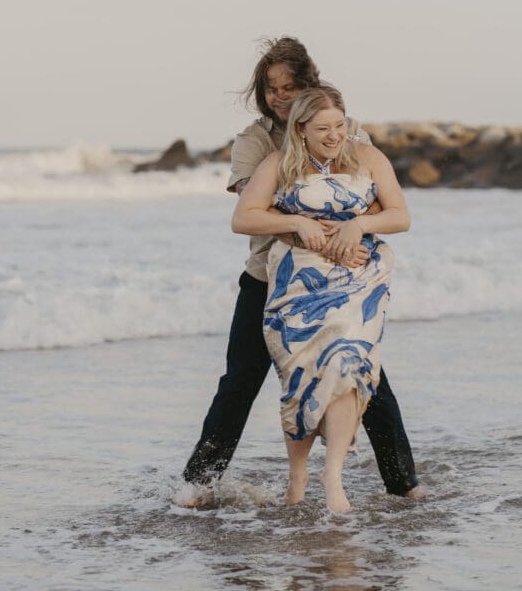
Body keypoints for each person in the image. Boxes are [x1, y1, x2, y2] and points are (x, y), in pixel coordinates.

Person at [181, 36, 422, 503]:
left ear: (308, 84)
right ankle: (199, 482)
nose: (279, 96)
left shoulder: (344, 129)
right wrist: (305, 227)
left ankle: (403, 484)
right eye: (271, 88)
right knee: (240, 382)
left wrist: (352, 228)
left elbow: (373, 195)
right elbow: (258, 207)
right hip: (268, 279)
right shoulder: (257, 143)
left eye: (288, 86)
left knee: (364, 376)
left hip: (342, 281)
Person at [231, 85, 410, 512]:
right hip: (297, 280)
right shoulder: (279, 163)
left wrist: (359, 226)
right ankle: (298, 478)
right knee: (301, 379)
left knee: (346, 365)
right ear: (301, 130)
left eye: (340, 125)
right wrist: (295, 221)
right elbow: (243, 218)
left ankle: (333, 479)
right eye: (323, 128)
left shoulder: (366, 156)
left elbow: (400, 215)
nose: (334, 135)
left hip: (357, 277)